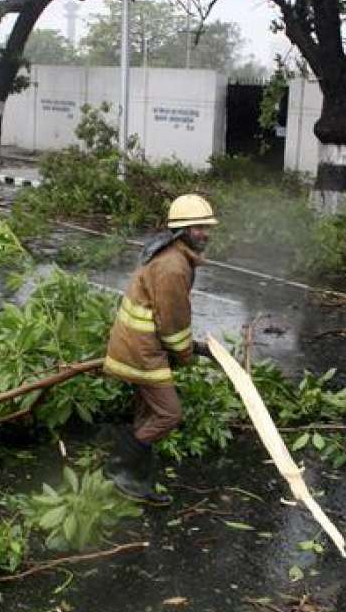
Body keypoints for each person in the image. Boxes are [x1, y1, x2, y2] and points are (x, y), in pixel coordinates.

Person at [102, 194, 216, 505]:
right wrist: (186, 353)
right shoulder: (174, 266)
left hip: (139, 345)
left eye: (207, 226)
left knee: (146, 412)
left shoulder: (176, 255)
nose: (204, 233)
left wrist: (195, 348)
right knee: (168, 414)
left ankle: (135, 480)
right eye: (198, 227)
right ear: (181, 230)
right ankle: (120, 470)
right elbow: (172, 324)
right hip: (140, 351)